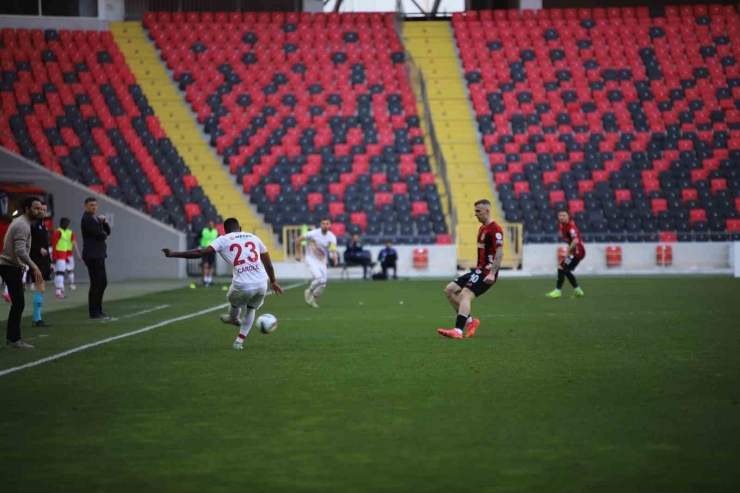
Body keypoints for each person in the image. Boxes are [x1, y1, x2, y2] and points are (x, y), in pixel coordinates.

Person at [162, 217, 283, 350]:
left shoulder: (223, 239)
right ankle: (238, 342)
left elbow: (199, 252)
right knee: (251, 308)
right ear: (240, 228)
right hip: (261, 283)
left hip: (242, 284)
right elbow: (268, 263)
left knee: (234, 302)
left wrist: (174, 254)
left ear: (225, 231)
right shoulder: (254, 238)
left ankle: (233, 318)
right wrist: (273, 281)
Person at [438, 199, 504, 339]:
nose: (475, 214)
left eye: (478, 211)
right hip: (478, 270)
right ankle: (470, 321)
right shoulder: (482, 228)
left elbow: (500, 252)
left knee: (465, 295)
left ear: (487, 211)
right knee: (449, 290)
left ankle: (458, 330)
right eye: (475, 211)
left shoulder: (495, 229)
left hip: (487, 271)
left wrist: (492, 273)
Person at [0, 196, 44, 348]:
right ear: (27, 209)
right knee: (19, 303)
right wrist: (34, 266)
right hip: (10, 266)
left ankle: (12, 338)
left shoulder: (21, 222)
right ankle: (14, 340)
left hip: (11, 265)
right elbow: (20, 251)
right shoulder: (22, 225)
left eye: (40, 208)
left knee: (18, 303)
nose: (40, 211)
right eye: (36, 208)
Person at [294, 217, 338, 308]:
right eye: (323, 224)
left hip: (322, 261)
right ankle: (309, 291)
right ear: (320, 225)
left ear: (330, 225)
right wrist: (298, 254)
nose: (325, 226)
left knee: (323, 284)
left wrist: (335, 257)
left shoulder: (332, 236)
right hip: (311, 258)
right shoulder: (313, 234)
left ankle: (312, 300)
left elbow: (333, 248)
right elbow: (298, 240)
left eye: (327, 224)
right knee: (319, 279)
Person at [81, 197, 111, 319]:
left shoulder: (95, 219)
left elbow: (107, 232)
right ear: (86, 206)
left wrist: (104, 223)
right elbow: (101, 236)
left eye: (95, 205)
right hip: (92, 255)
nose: (94, 207)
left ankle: (98, 309)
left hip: (99, 254)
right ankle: (94, 312)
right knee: (96, 283)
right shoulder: (87, 219)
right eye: (91, 205)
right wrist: (102, 231)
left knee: (103, 282)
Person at [546, 210, 586, 299]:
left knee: (561, 267)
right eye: (560, 215)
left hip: (578, 252)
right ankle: (578, 290)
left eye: (564, 215)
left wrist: (567, 252)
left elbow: (575, 241)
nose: (562, 217)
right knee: (565, 270)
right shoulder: (562, 226)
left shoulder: (571, 226)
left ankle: (558, 291)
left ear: (568, 217)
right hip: (575, 252)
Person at [29, 202, 52, 327]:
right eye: (39, 209)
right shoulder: (32, 225)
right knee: (40, 288)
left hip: (44, 261)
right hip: (36, 261)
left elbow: (45, 245)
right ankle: (36, 319)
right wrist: (39, 249)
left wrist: (50, 261)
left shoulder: (43, 225)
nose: (42, 212)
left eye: (44, 209)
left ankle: (37, 318)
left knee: (41, 289)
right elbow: (27, 243)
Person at [51, 217, 81, 298]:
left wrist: (66, 257)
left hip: (63, 255)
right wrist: (54, 257)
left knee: (60, 273)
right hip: (59, 255)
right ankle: (58, 292)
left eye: (67, 224)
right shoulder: (58, 232)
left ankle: (59, 290)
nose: (66, 225)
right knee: (60, 273)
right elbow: (54, 245)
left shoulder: (63, 232)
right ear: (61, 224)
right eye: (65, 224)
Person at [200, 220, 219, 287]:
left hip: (212, 250)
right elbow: (199, 237)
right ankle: (205, 279)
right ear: (208, 225)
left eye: (212, 224)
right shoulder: (204, 231)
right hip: (205, 249)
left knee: (211, 265)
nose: (211, 226)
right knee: (205, 265)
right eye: (210, 224)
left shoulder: (215, 232)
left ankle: (209, 279)